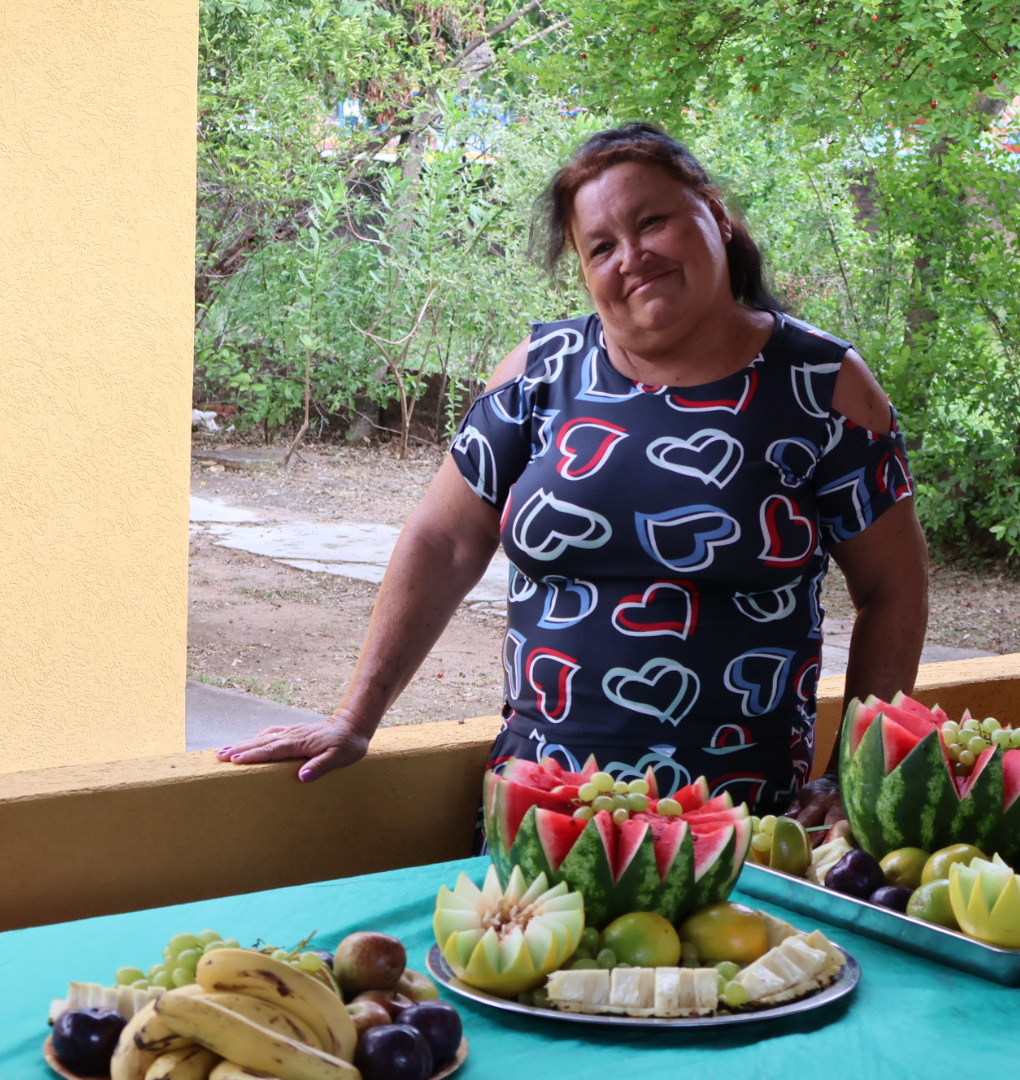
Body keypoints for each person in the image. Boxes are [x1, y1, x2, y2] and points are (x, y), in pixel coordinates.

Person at [218, 123, 929, 825]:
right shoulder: (540, 371)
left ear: (716, 216)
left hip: (740, 824)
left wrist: (851, 777)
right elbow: (444, 543)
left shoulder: (821, 385)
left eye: (653, 222)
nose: (633, 257)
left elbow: (893, 589)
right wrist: (355, 717)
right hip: (538, 805)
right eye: (601, 247)